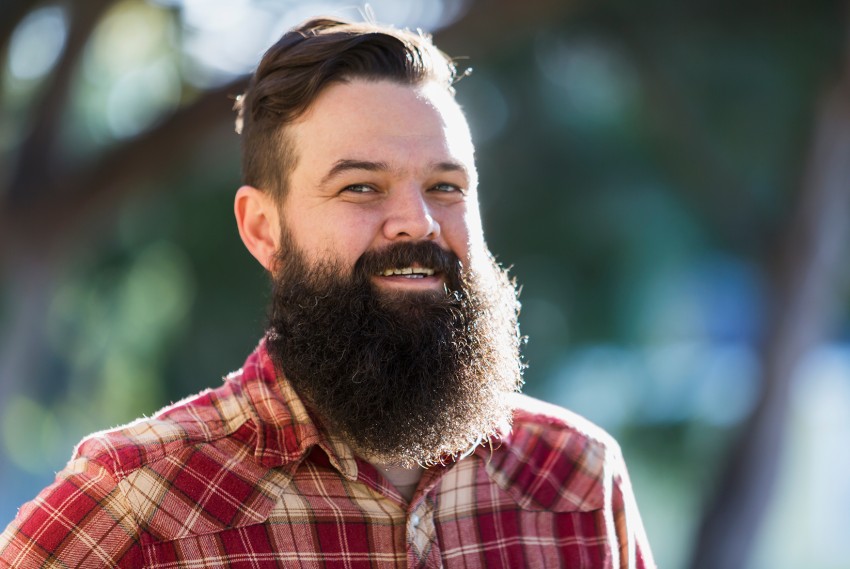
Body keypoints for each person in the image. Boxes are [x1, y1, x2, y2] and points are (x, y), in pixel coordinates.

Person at [0, 17, 654, 569]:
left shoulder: (577, 482)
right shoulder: (134, 502)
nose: (418, 222)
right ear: (264, 229)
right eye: (361, 187)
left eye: (446, 187)